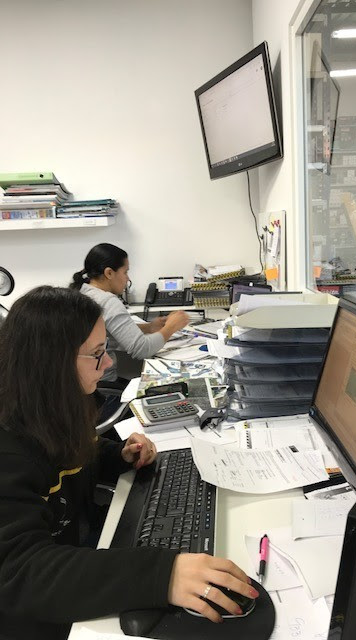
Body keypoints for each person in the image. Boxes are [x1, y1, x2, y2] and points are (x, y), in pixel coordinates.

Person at [0, 286, 258, 640]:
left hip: (74, 552)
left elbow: (73, 457)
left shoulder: (54, 401)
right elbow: (19, 573)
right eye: (97, 354)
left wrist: (116, 455)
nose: (108, 364)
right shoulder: (8, 448)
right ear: (51, 363)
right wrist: (162, 575)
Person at [70, 243, 189, 382]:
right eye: (125, 272)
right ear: (109, 273)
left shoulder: (83, 292)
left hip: (83, 381)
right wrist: (171, 327)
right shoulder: (107, 301)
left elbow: (109, 331)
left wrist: (149, 327)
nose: (128, 279)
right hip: (103, 384)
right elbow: (142, 349)